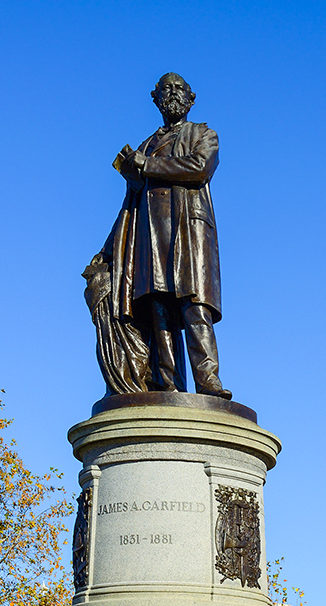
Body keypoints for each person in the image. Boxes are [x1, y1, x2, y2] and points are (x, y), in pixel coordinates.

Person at [89, 73, 230, 399]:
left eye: (179, 89)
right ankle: (168, 386)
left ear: (191, 98)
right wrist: (107, 251)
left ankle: (208, 383)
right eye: (165, 90)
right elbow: (130, 205)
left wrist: (147, 165)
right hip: (149, 238)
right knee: (160, 312)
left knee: (195, 308)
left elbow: (199, 168)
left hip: (187, 233)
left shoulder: (203, 135)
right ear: (155, 99)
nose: (172, 94)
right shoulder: (145, 147)